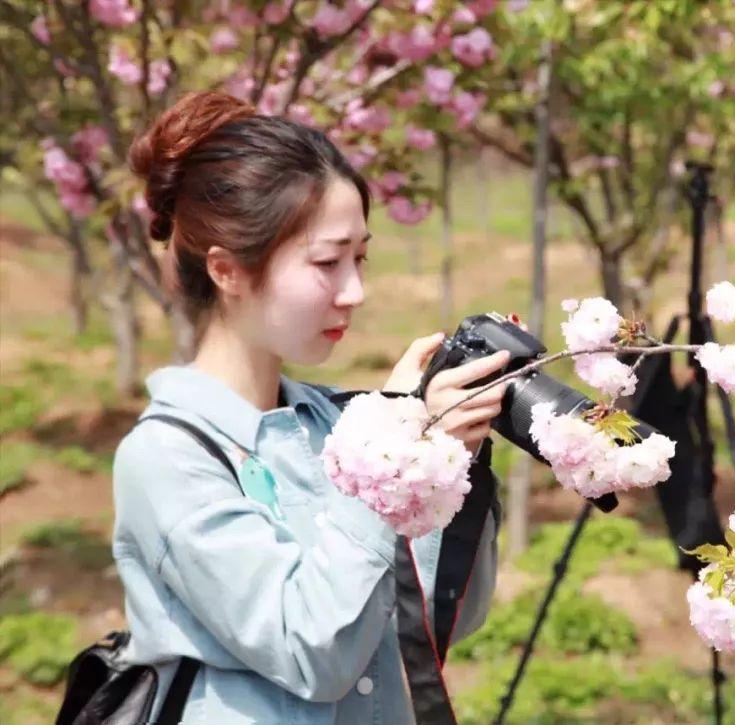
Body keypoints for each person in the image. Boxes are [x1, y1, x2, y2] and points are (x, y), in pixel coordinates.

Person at [111, 91, 508, 723]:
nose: (355, 291)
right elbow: (312, 651)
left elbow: (438, 622)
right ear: (228, 270)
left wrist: (449, 456)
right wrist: (392, 450)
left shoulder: (336, 424)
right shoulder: (166, 458)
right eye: (328, 261)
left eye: (361, 257)